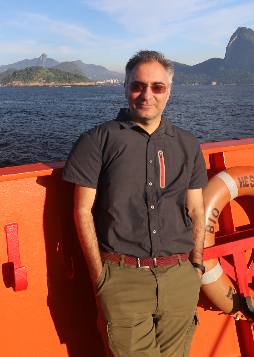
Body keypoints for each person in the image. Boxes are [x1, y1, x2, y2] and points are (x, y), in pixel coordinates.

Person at [62, 50, 208, 357]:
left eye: (157, 87)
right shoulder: (97, 140)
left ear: (169, 90)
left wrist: (195, 267)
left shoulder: (188, 144)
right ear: (125, 87)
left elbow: (196, 210)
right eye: (138, 85)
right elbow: (82, 211)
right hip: (122, 280)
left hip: (180, 278)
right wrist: (100, 277)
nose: (147, 95)